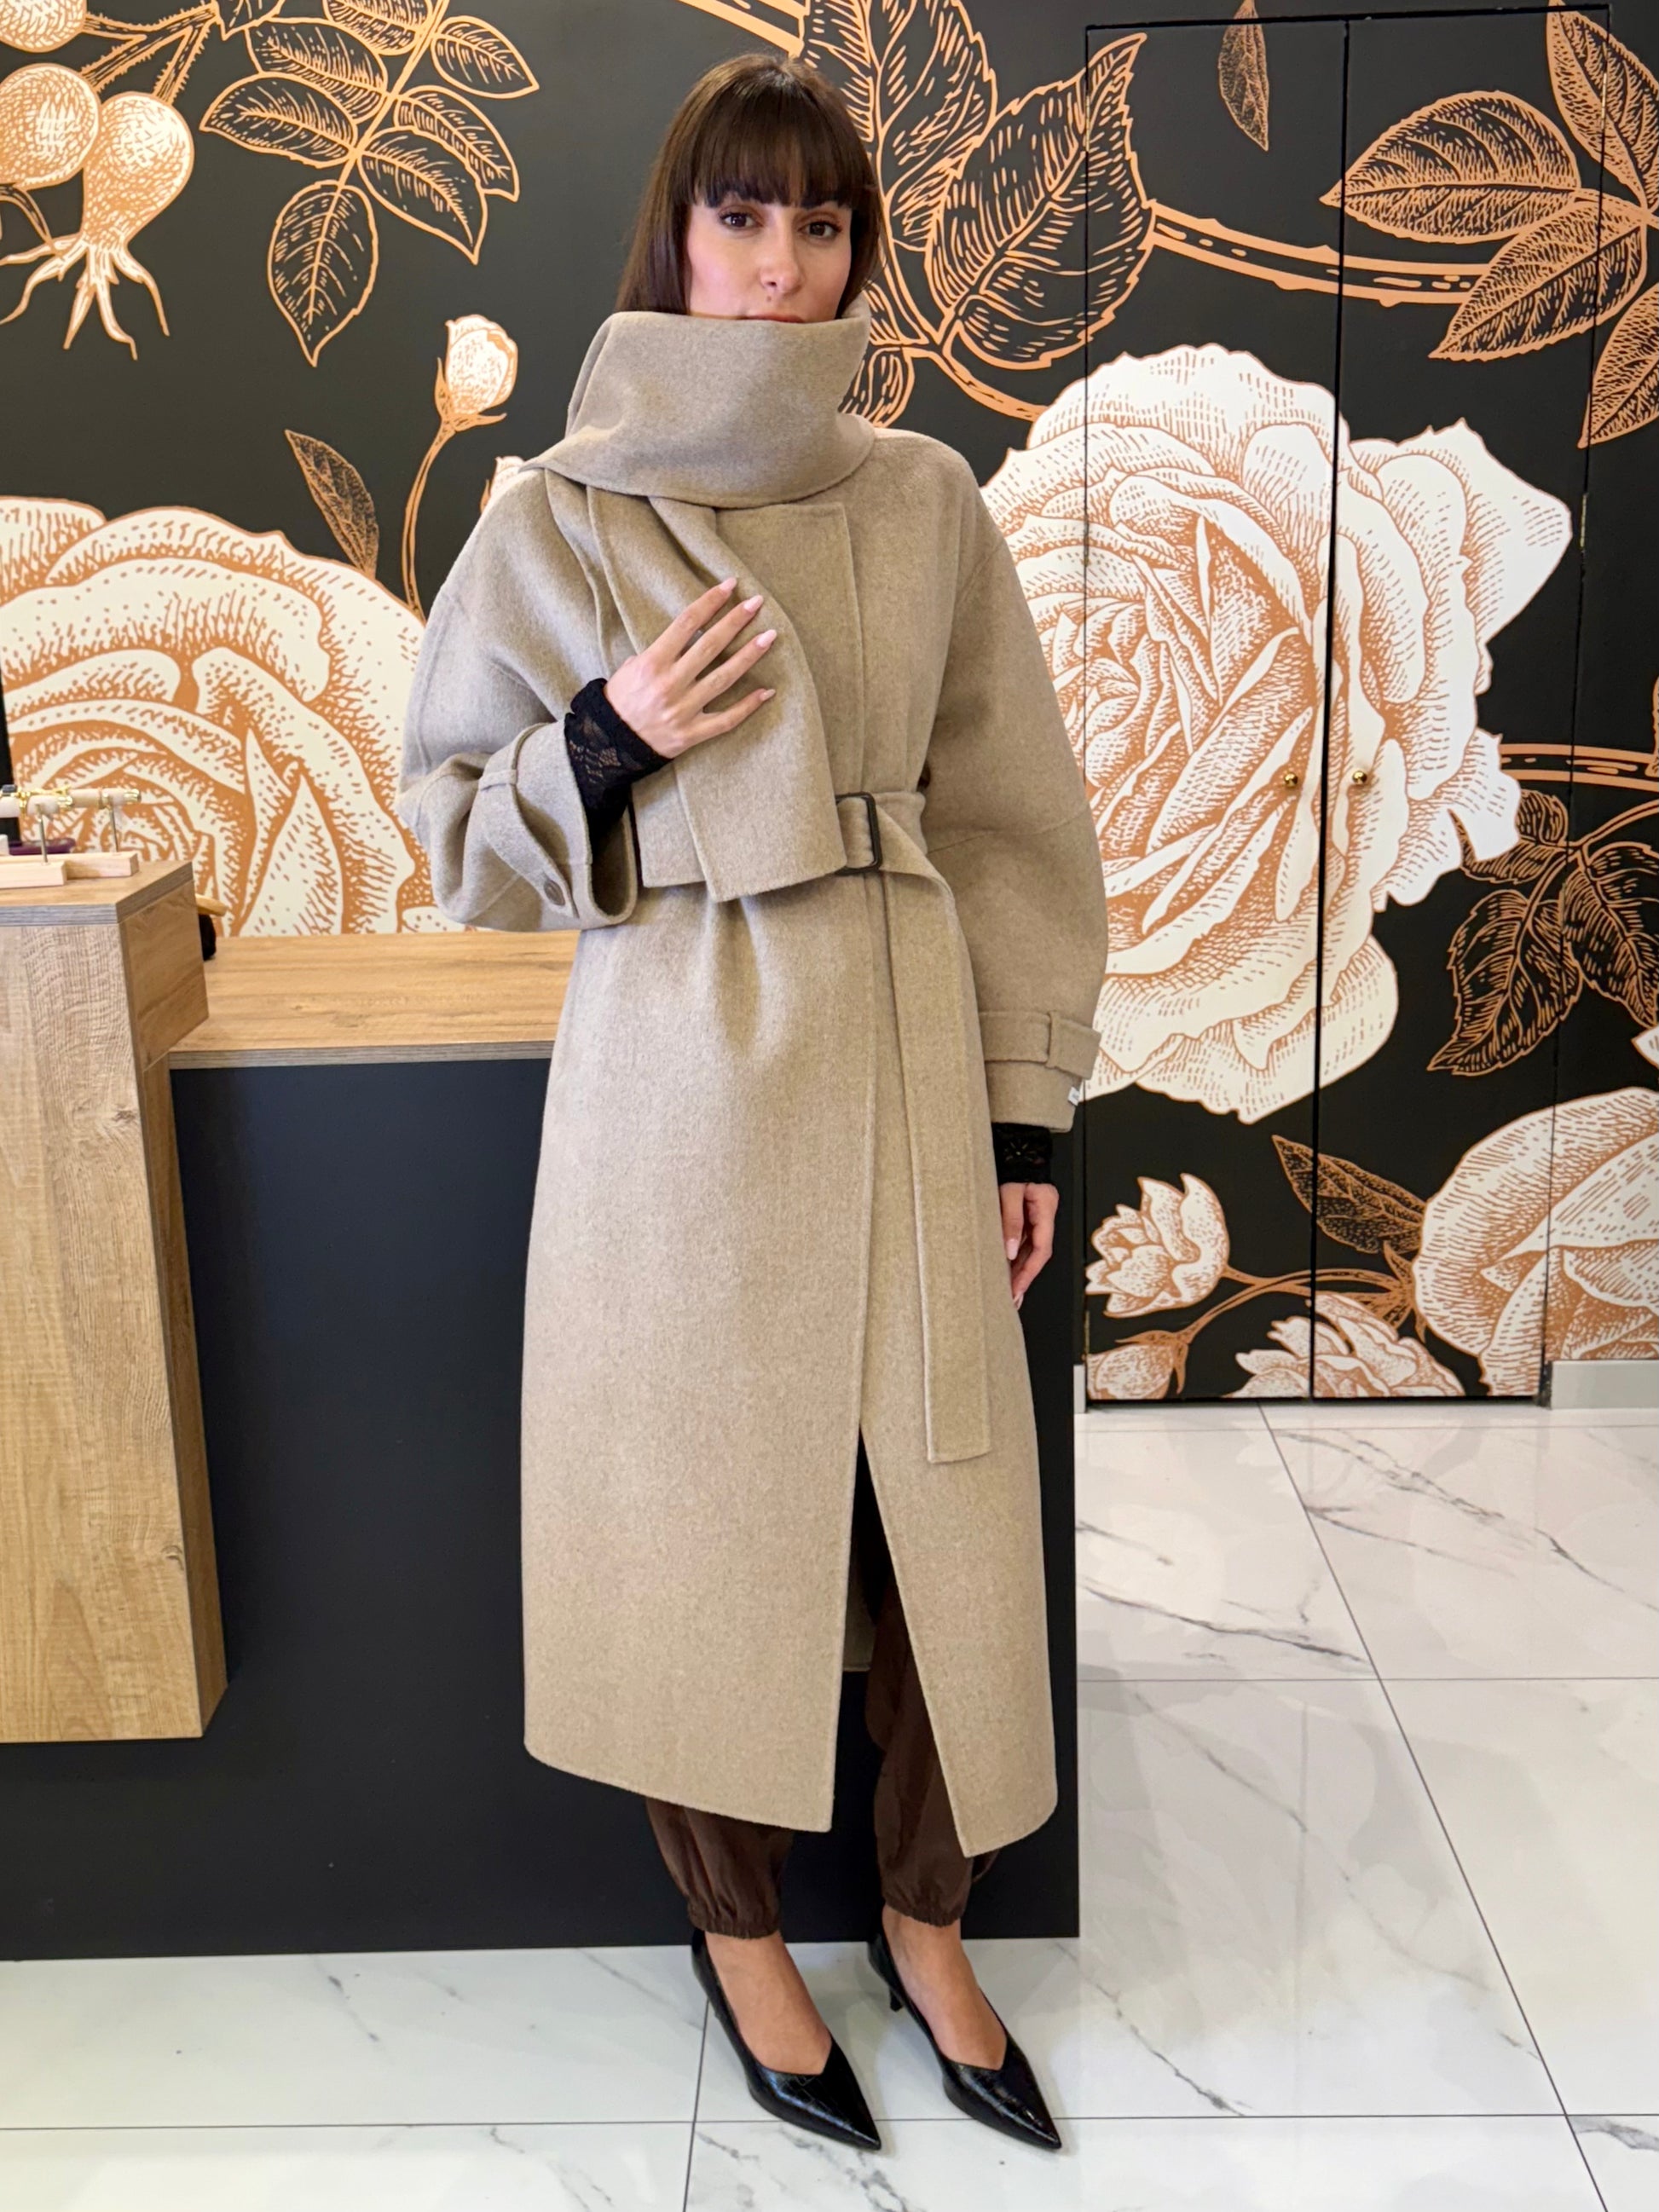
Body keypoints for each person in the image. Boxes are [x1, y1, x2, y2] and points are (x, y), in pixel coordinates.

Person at [397, 51, 1107, 2157]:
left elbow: (1011, 821)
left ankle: (926, 1916)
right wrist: (602, 736)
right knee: (699, 1523)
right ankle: (739, 1937)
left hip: (901, 1048)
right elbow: (455, 838)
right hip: (683, 1077)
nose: (781, 260)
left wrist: (1024, 1112)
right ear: (676, 236)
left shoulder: (923, 498)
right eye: (741, 214)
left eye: (820, 221)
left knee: (942, 1529)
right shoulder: (558, 513)